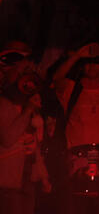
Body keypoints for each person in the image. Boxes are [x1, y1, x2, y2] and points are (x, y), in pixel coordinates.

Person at [0, 66, 49, 214]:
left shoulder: (28, 106)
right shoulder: (3, 104)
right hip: (8, 180)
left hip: (28, 176)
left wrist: (44, 177)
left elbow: (35, 143)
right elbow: (8, 139)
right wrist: (28, 111)